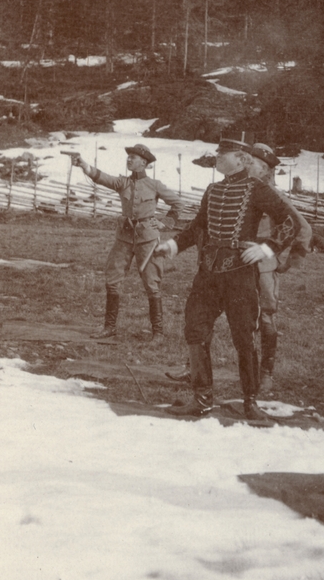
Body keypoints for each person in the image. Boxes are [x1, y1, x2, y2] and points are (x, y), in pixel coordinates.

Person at [154, 136, 307, 422]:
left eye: (224, 154)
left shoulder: (257, 188)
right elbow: (198, 226)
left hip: (240, 274)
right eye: (218, 153)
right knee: (195, 330)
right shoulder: (212, 190)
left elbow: (291, 222)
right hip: (208, 274)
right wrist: (173, 245)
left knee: (244, 338)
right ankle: (201, 400)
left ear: (241, 159)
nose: (218, 157)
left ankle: (250, 403)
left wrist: (266, 248)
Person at [66, 144, 182, 340]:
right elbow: (102, 177)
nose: (129, 159)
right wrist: (84, 165)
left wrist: (166, 222)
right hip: (124, 238)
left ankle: (158, 333)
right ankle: (109, 327)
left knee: (152, 283)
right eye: (128, 157)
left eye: (133, 157)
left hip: (148, 240)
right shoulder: (123, 182)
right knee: (112, 279)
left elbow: (178, 203)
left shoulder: (154, 185)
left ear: (143, 162)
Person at [246, 142, 313, 395]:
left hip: (262, 265)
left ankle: (266, 373)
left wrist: (290, 261)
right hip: (229, 264)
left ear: (265, 170)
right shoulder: (230, 190)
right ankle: (194, 368)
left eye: (251, 162)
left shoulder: (273, 197)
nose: (245, 165)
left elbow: (302, 227)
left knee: (265, 317)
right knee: (209, 311)